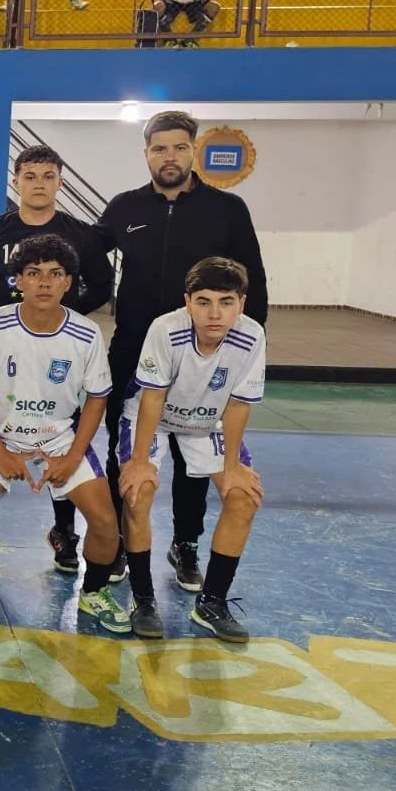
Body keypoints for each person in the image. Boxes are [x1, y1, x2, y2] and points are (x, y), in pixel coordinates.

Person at [95, 110, 267, 596]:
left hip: (207, 352)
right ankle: (122, 542)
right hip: (134, 347)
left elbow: (253, 278)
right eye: (159, 149)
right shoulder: (125, 208)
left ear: (194, 150)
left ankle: (186, 543)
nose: (168, 157)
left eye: (178, 147)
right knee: (126, 452)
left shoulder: (227, 209)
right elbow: (87, 255)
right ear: (146, 153)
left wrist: (243, 348)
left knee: (194, 450)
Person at [0, 234, 128, 632]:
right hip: (3, 435)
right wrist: (0, 451)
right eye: (34, 273)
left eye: (55, 274)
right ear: (18, 280)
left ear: (69, 282)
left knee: (105, 522)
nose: (45, 282)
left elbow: (97, 399)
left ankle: (94, 591)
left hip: (60, 437)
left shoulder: (86, 333)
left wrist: (72, 456)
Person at [0, 145, 114, 573]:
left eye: (48, 176)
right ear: (16, 181)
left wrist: (62, 321)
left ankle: (64, 532)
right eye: (30, 176)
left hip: (57, 350)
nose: (38, 184)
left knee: (57, 433)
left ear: (60, 183)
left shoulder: (79, 233)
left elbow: (102, 283)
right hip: (3, 353)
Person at [118, 256, 264, 642]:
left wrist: (231, 466)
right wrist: (139, 462)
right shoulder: (165, 329)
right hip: (153, 415)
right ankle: (143, 600)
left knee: (243, 498)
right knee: (137, 492)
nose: (215, 313)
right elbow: (152, 397)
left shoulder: (252, 335)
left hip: (208, 420)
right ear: (187, 302)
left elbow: (238, 404)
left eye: (226, 302)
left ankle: (212, 602)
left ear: (241, 303)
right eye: (204, 302)